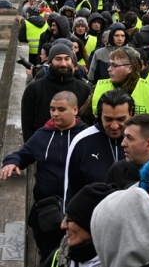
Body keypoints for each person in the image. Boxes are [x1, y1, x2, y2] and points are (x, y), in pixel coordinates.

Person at [1, 92, 86, 263]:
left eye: (61, 109)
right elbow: (22, 154)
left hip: (78, 210)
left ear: (75, 110)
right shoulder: (42, 135)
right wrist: (11, 162)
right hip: (47, 211)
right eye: (52, 109)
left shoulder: (86, 136)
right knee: (50, 256)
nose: (55, 114)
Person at [64, 89, 133, 207]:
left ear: (131, 113)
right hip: (90, 222)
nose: (114, 126)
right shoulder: (81, 141)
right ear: (99, 114)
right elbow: (70, 190)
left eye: (121, 119)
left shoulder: (142, 140)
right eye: (108, 119)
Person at [21, 44, 92, 142]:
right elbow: (27, 126)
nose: (63, 63)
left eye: (67, 59)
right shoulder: (34, 89)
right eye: (58, 59)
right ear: (50, 62)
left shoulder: (84, 89)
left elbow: (89, 125)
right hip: (43, 147)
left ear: (72, 61)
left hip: (75, 149)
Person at [80, 46, 149, 124]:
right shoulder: (99, 88)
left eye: (114, 65)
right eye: (109, 65)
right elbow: (84, 120)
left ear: (130, 68)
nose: (109, 69)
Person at [42, 182, 119, 267]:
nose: (63, 226)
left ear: (92, 225)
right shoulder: (59, 257)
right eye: (65, 217)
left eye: (69, 220)